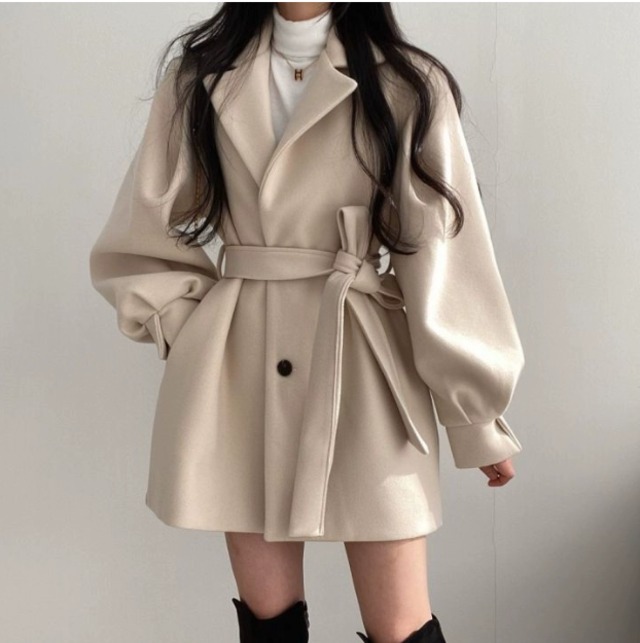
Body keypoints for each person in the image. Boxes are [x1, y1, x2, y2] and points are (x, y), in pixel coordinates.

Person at [89, 3, 526, 642]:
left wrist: (475, 414)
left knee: (402, 627)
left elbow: (444, 259)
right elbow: (138, 238)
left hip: (365, 366)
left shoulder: (406, 83)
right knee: (269, 627)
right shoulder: (200, 77)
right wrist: (199, 339)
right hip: (241, 378)